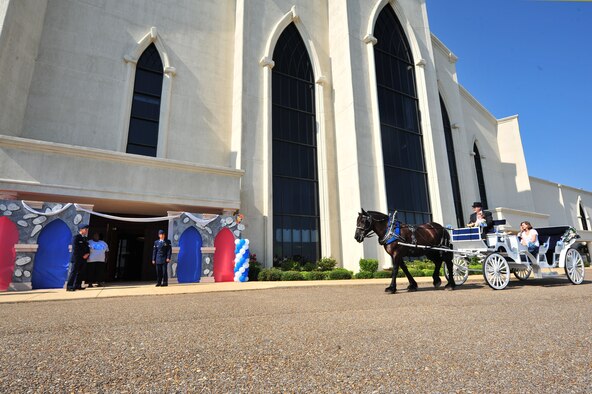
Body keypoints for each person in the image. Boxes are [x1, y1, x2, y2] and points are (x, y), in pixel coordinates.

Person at [66, 223, 90, 291]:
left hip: (83, 259)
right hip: (77, 258)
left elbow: (87, 247)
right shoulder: (76, 237)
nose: (87, 230)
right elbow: (76, 248)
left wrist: (87, 254)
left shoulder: (85, 238)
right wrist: (83, 255)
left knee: (80, 272)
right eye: (85, 229)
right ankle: (70, 286)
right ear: (81, 230)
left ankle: (77, 285)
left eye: (87, 229)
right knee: (74, 272)